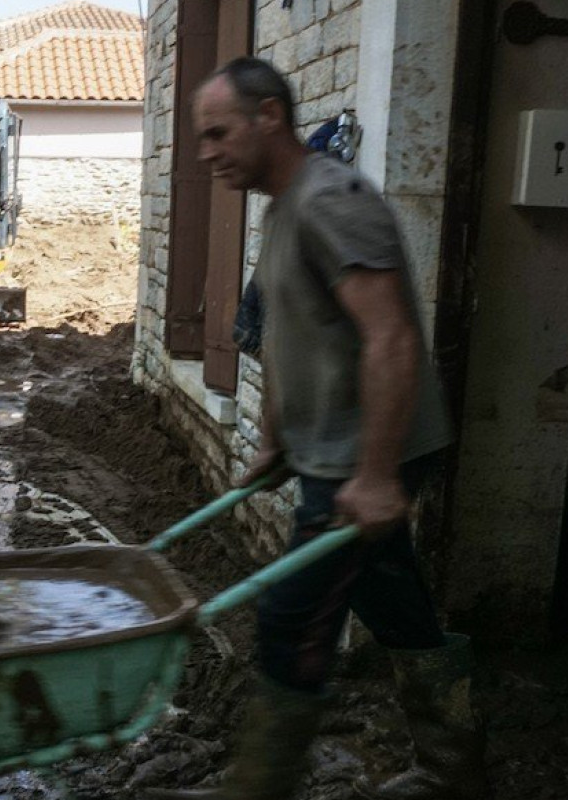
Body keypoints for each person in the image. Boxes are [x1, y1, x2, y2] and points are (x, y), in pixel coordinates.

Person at [146, 58, 484, 800]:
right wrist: (275, 439)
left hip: (363, 457)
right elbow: (288, 336)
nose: (205, 153)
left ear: (269, 116)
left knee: (291, 619)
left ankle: (259, 787)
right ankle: (452, 766)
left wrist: (376, 475)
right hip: (331, 451)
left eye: (217, 133)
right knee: (394, 603)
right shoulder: (284, 209)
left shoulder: (334, 200)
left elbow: (391, 337)